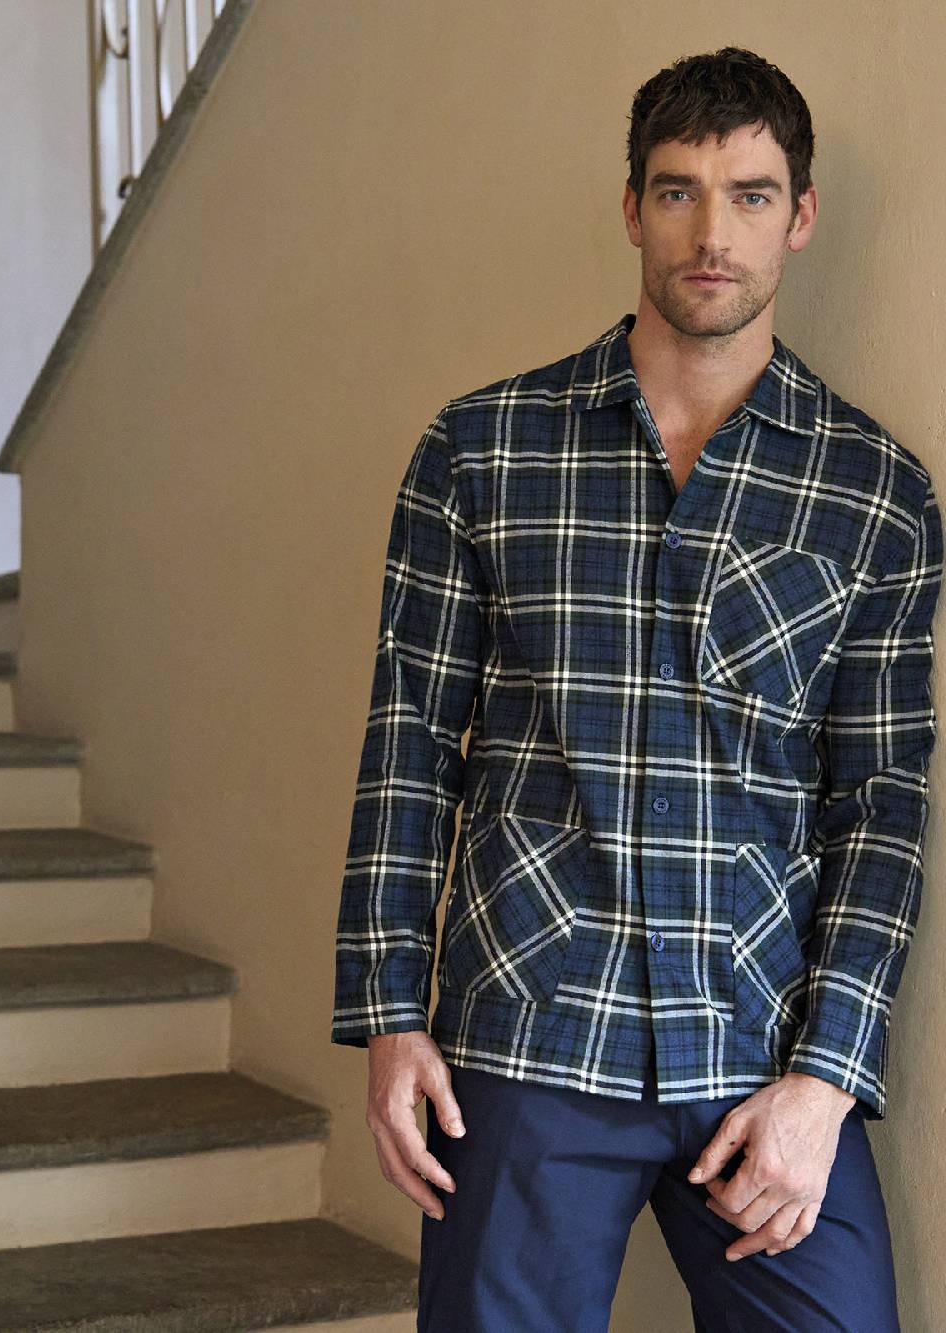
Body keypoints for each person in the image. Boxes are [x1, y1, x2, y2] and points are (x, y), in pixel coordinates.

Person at [330, 45, 943, 1331]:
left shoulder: (874, 494)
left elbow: (878, 811)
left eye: (751, 195)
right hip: (529, 1032)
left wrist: (827, 1077)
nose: (712, 234)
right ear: (630, 209)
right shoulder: (482, 451)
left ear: (800, 215)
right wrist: (389, 1017)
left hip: (758, 1049)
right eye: (677, 191)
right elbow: (409, 752)